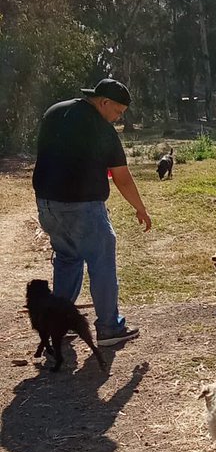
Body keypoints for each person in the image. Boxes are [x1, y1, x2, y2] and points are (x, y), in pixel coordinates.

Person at [32, 77, 151, 346]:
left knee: (67, 258)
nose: (118, 118)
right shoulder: (100, 128)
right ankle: (109, 327)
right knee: (101, 261)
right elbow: (122, 177)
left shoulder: (55, 111)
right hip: (82, 205)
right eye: (118, 111)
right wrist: (140, 208)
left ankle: (60, 322)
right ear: (104, 102)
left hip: (47, 205)